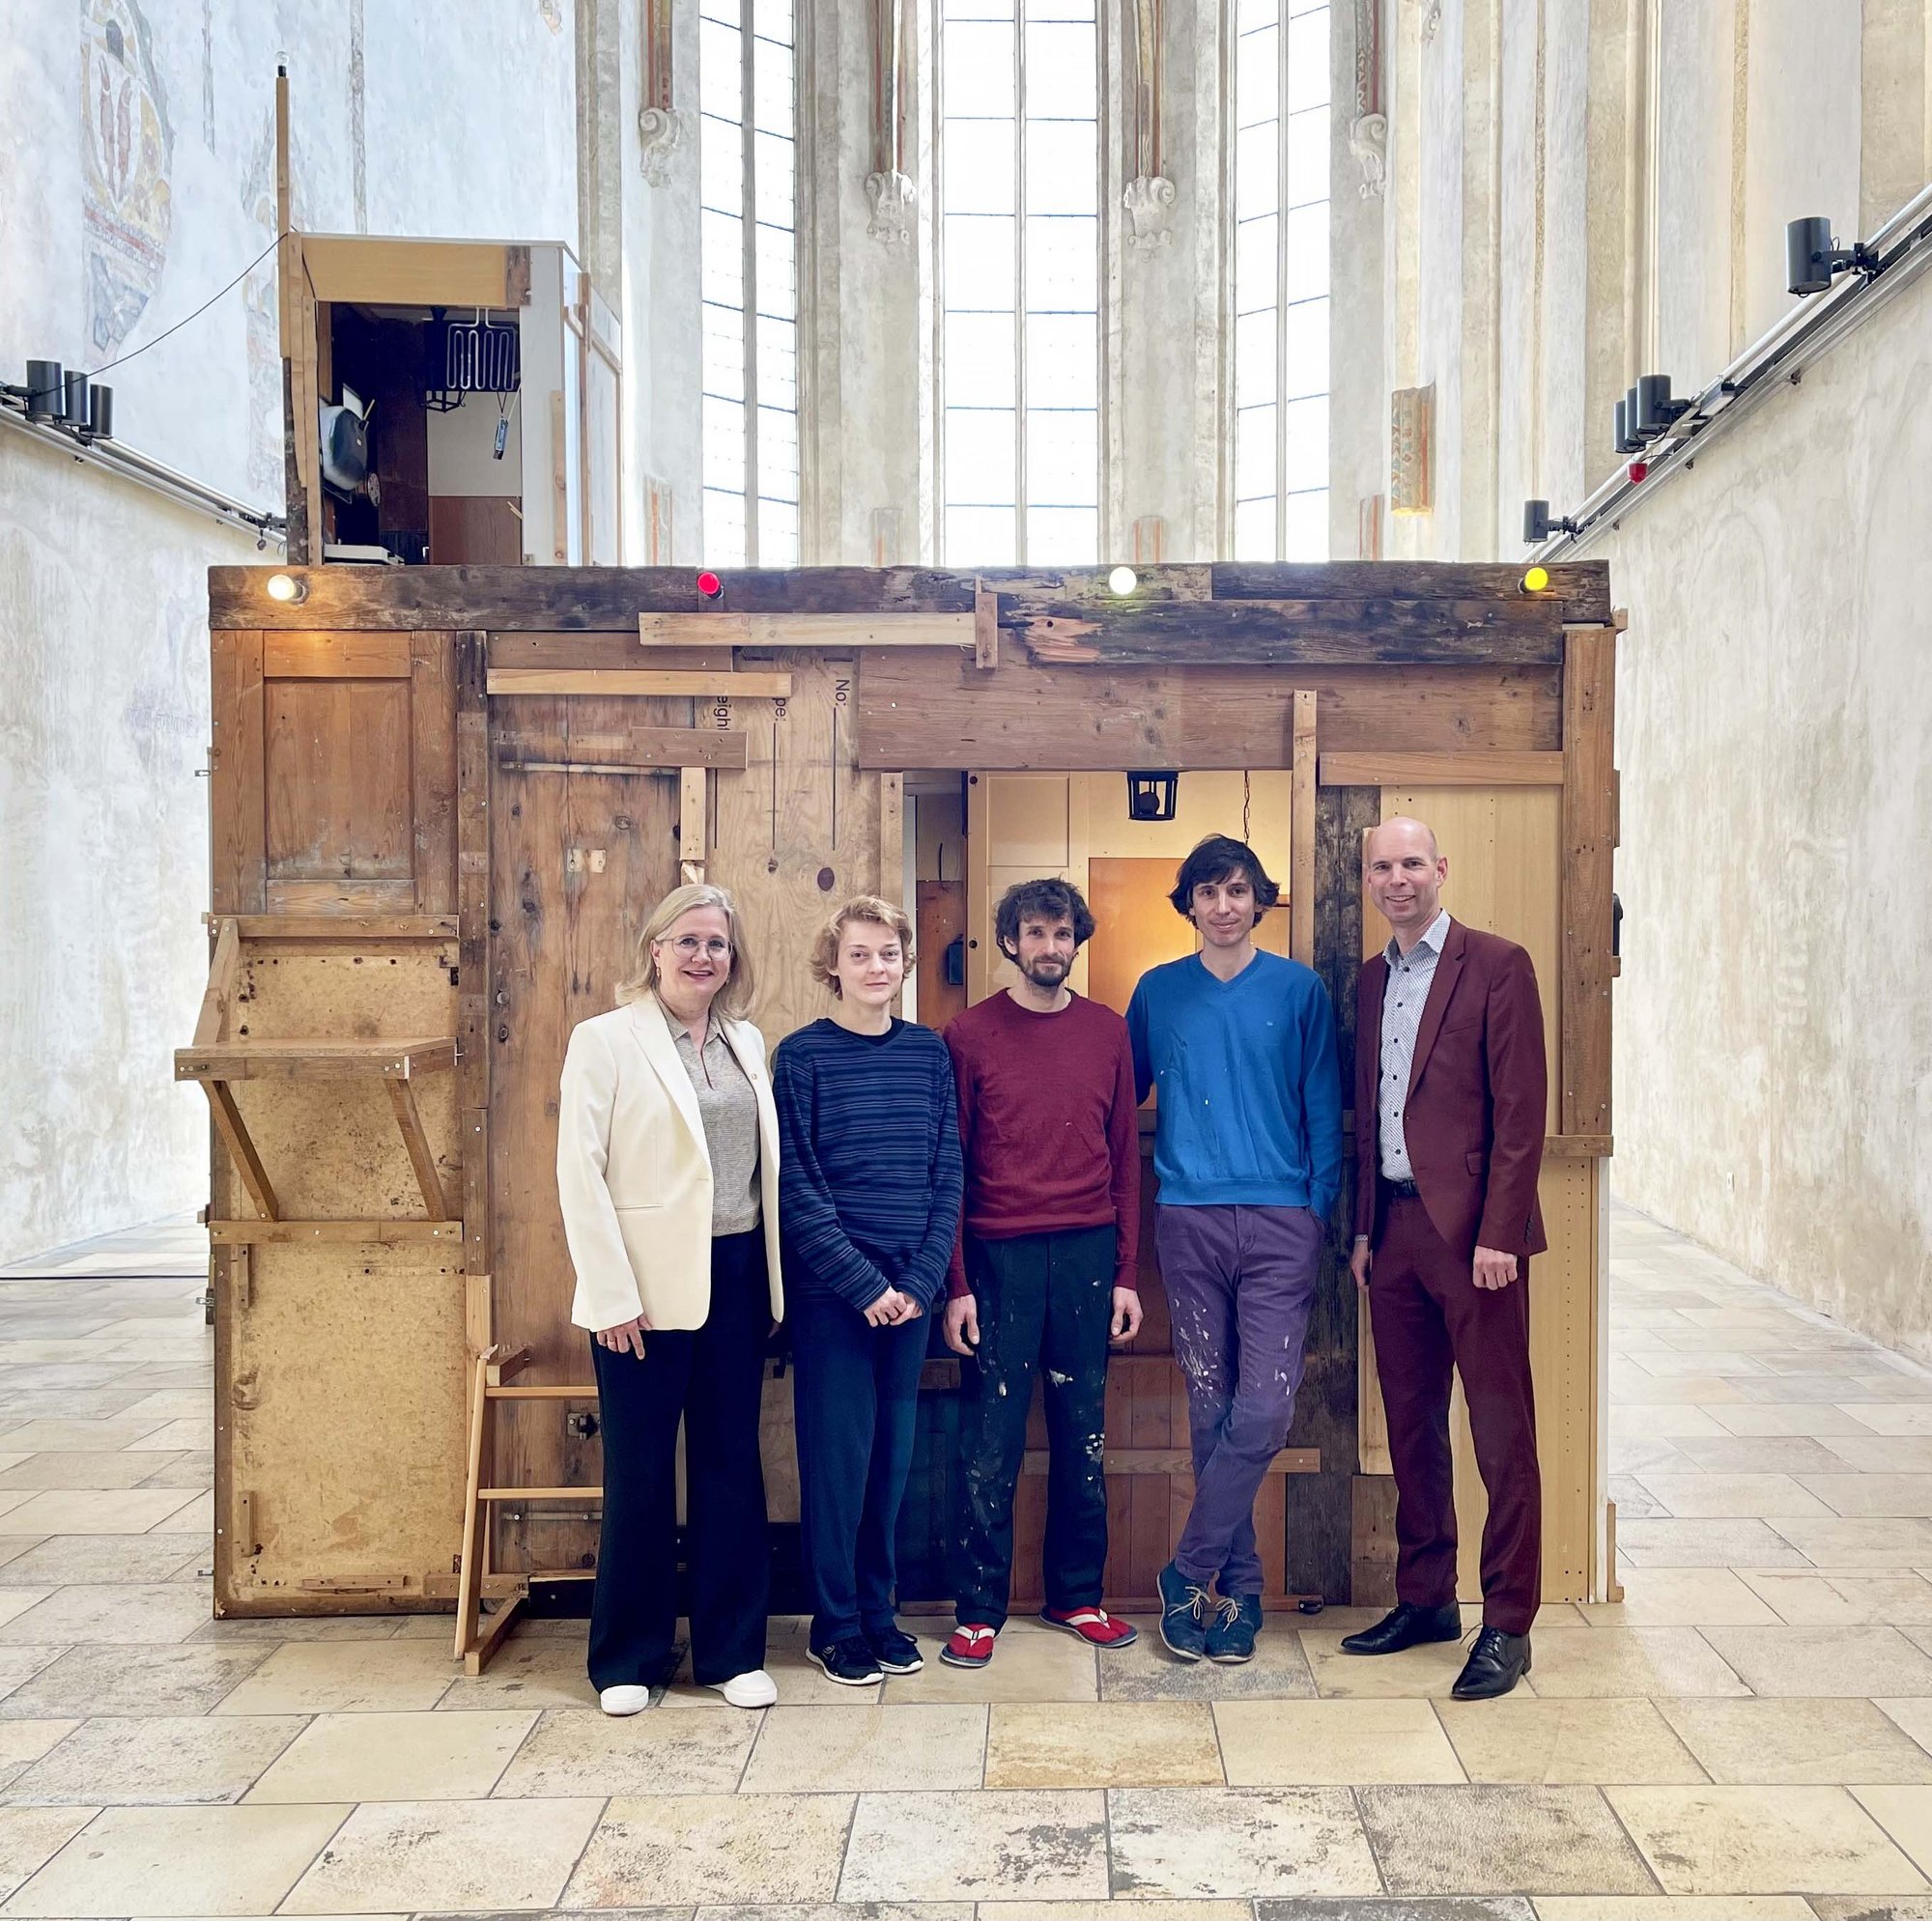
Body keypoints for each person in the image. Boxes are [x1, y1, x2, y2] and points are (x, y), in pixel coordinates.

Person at [556, 882, 783, 1716]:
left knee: (731, 1465)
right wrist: (609, 1292)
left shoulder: (745, 1042)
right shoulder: (605, 1040)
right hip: (641, 1290)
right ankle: (629, 1657)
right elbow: (578, 1171)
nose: (702, 956)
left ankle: (731, 1653)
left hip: (736, 1275)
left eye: (717, 943)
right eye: (687, 940)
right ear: (654, 949)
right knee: (643, 1472)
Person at [1342, 815, 1548, 1701]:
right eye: (1382, 867)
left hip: (1475, 1240)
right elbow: (1368, 1110)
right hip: (1389, 1233)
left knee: (1501, 1432)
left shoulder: (1498, 964)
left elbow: (1521, 1109)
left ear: (1441, 869)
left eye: (1411, 863)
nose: (1398, 879)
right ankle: (1427, 1599)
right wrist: (1359, 1228)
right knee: (1411, 1423)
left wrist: (1500, 1230)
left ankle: (1508, 1622)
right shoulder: (1368, 979)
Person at [1126, 834, 1342, 1663]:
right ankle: (1241, 1597)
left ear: (1260, 900)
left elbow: (1322, 1103)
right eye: (1208, 892)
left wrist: (1315, 1209)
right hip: (1188, 1218)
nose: (1224, 905)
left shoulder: (1298, 990)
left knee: (1266, 1405)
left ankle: (1187, 1570)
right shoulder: (1156, 993)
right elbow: (1120, 1093)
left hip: (1283, 1218)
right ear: (1189, 904)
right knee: (1210, 1407)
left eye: (1239, 890)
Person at [939, 878, 1143, 1670]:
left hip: (1088, 1255)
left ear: (1077, 940)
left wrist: (1127, 1271)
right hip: (997, 1257)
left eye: (1062, 933)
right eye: (1035, 932)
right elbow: (947, 1167)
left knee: (1080, 1433)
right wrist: (956, 1283)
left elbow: (1125, 1156)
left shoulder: (1108, 1031)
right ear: (1010, 941)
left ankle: (1076, 1595)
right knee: (989, 1439)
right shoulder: (968, 1033)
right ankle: (978, 1609)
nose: (1050, 946)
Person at [773, 896, 964, 1687]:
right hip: (833, 1298)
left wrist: (918, 1282)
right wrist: (864, 1286)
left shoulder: (927, 1054)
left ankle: (881, 1616)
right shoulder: (800, 1057)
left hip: (909, 1298)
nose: (876, 967)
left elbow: (947, 1171)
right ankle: (836, 1623)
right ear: (833, 965)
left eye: (888, 953)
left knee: (891, 1462)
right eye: (860, 955)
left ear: (903, 963)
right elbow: (796, 1187)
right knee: (839, 1463)